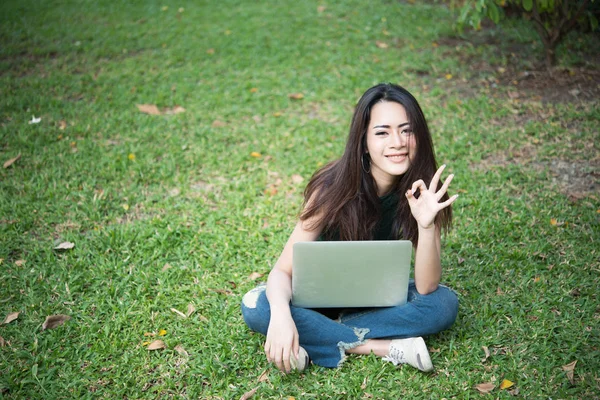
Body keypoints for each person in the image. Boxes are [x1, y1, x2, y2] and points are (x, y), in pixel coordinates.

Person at [241, 83, 459, 374]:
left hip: (373, 301)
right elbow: (282, 272)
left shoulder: (421, 191)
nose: (398, 142)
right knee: (257, 305)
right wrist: (282, 317)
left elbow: (426, 287)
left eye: (406, 130)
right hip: (313, 301)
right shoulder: (333, 188)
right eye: (382, 132)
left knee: (443, 304)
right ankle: (382, 346)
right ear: (363, 142)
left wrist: (427, 224)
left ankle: (318, 337)